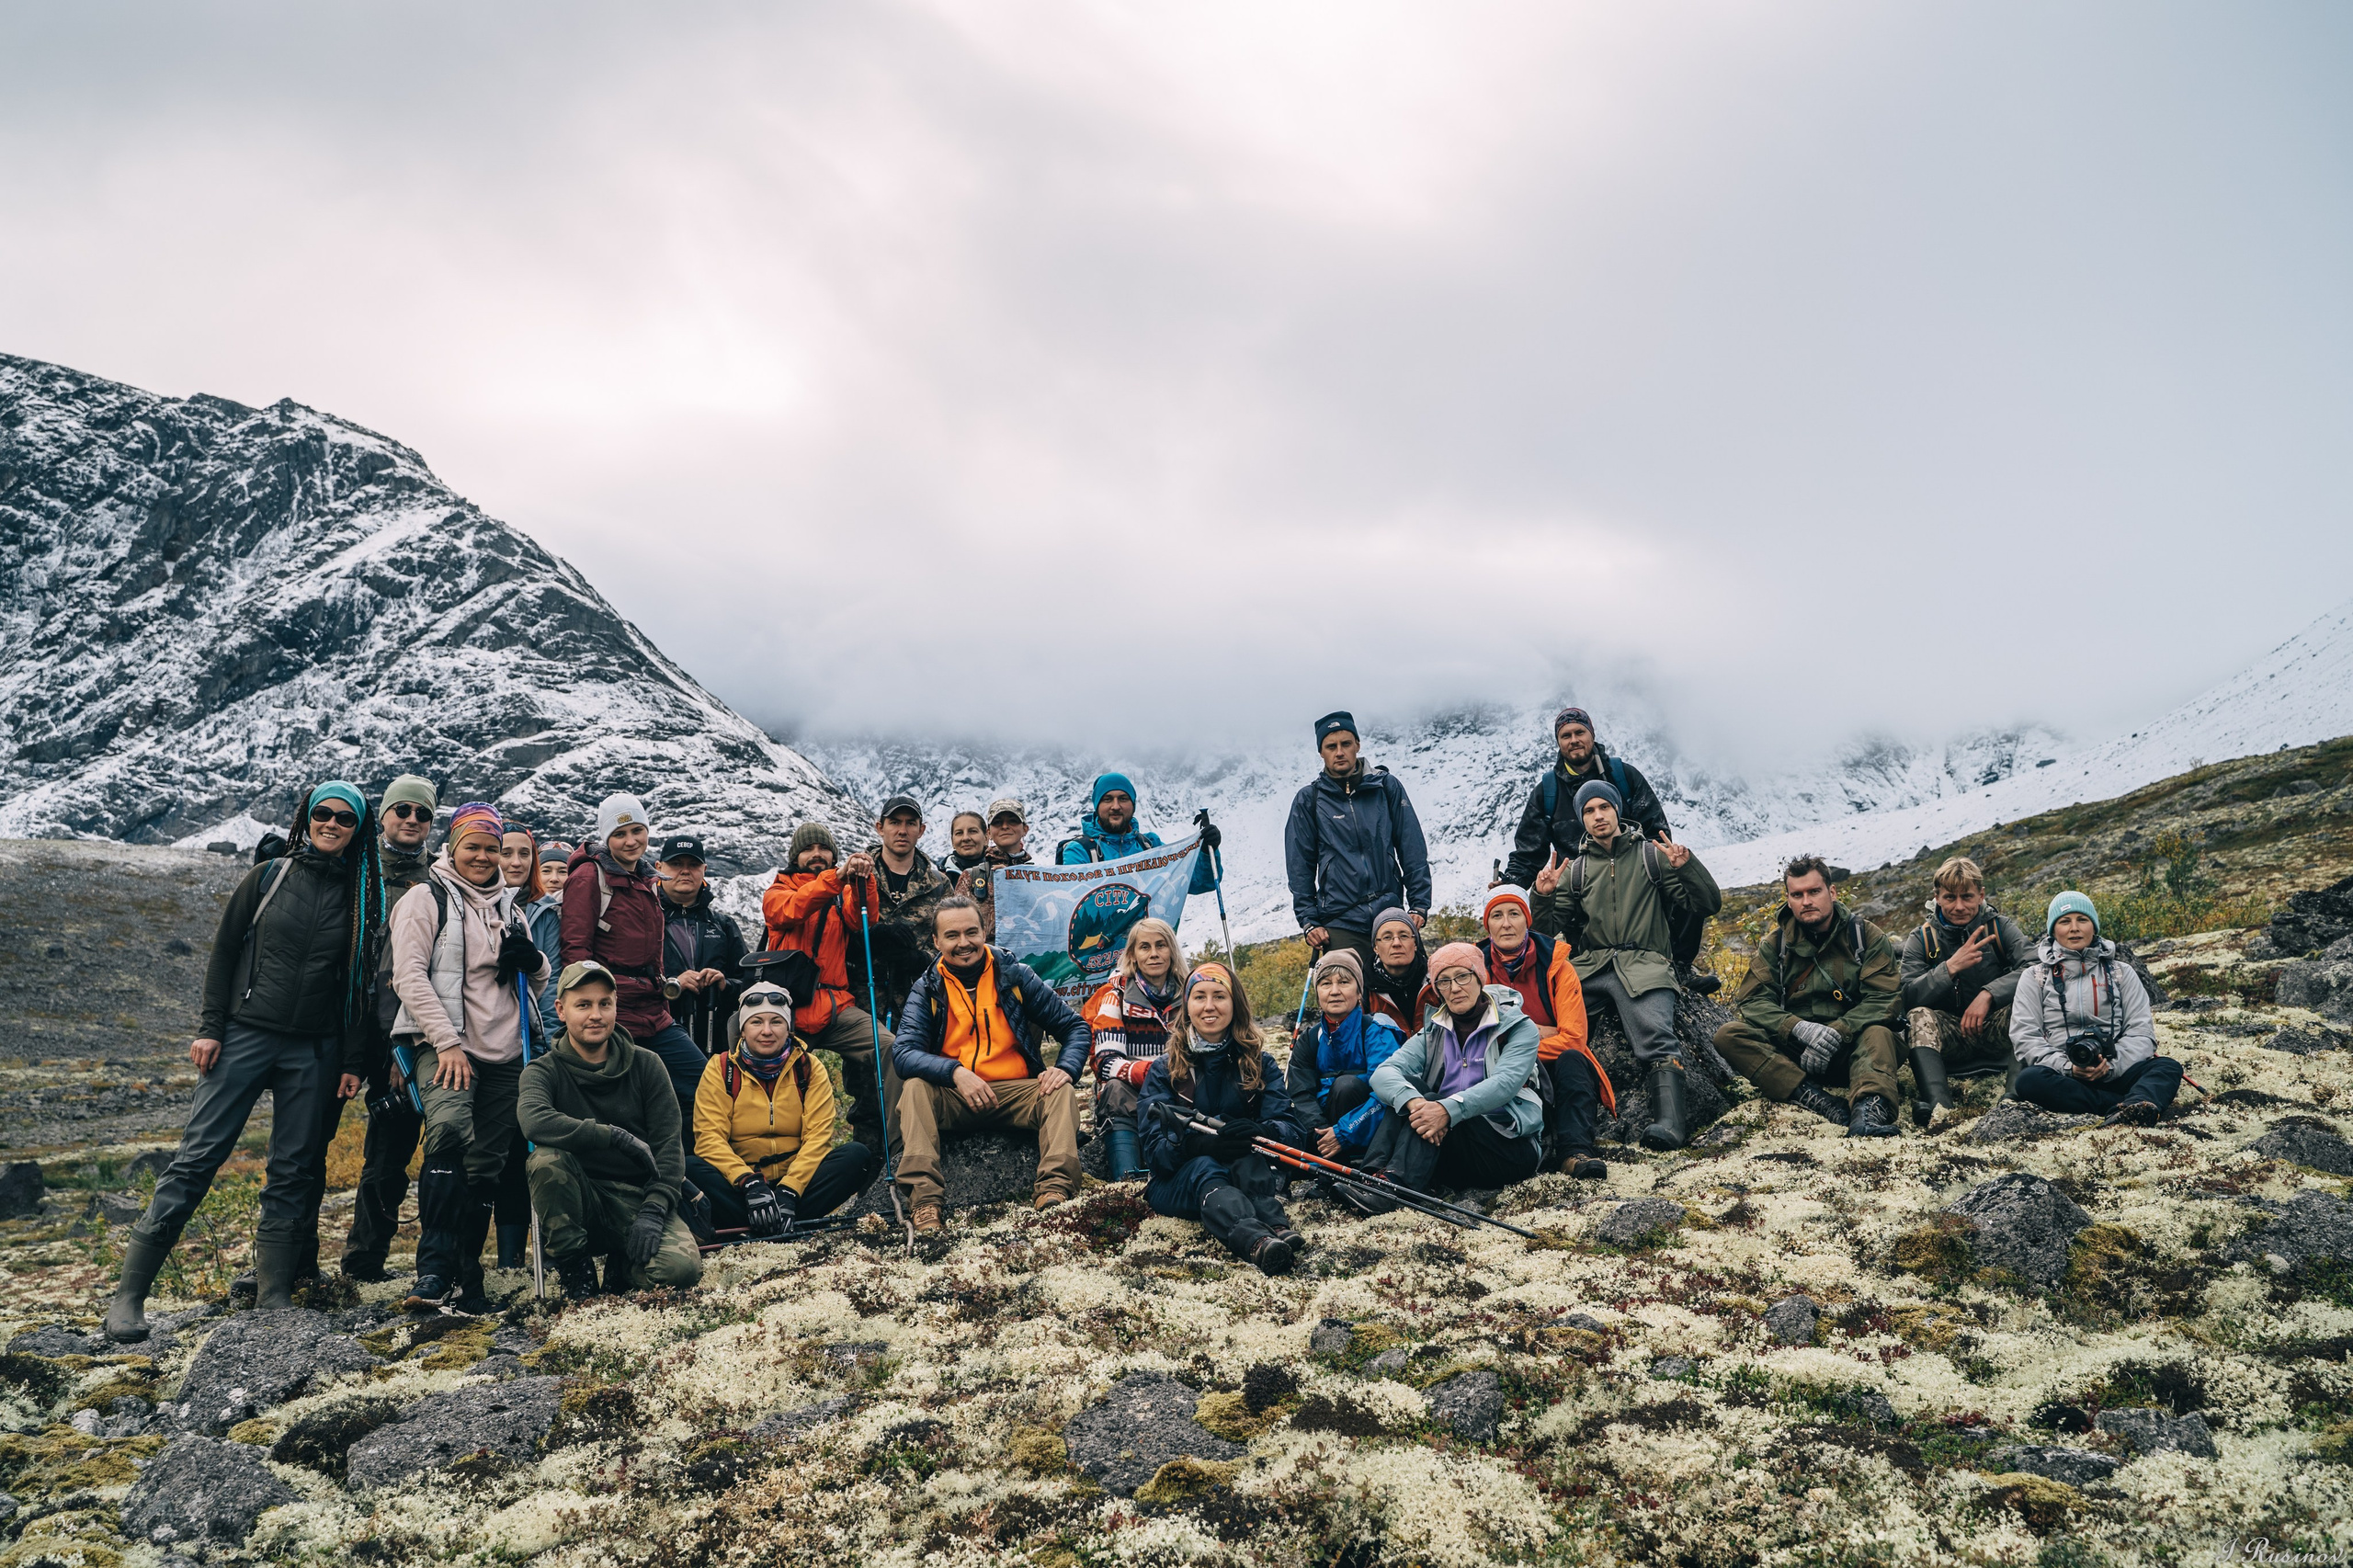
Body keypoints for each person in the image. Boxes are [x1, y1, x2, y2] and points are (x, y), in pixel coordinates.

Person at [106, 782, 388, 1341]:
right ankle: (128, 1299)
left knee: (294, 1169)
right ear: (305, 819)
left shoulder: (365, 899)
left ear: (358, 831)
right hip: (244, 1036)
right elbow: (225, 952)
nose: (331, 824)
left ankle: (275, 1297)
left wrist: (353, 1059)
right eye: (321, 814)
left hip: (314, 1050)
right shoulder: (266, 878)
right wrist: (212, 1029)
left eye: (344, 819)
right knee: (196, 1160)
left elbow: (359, 992)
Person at [388, 803, 549, 1313]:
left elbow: (535, 983)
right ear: (452, 847)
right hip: (447, 1047)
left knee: (487, 1164)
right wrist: (447, 1042)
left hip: (507, 1052)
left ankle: (467, 1273)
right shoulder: (424, 899)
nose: (483, 856)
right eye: (472, 846)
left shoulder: (512, 910)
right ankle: (434, 1270)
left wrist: (536, 961)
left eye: (491, 848)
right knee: (451, 1133)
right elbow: (408, 976)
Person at [1533, 779, 1722, 1151]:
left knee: (1655, 1036)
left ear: (1618, 810)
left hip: (1645, 964)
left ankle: (1669, 1124)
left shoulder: (1652, 856)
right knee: (1548, 1027)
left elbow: (1707, 904)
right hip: (1591, 967)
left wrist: (1687, 868)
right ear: (1581, 819)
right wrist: (1541, 897)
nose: (1598, 816)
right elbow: (1544, 932)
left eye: (1604, 807)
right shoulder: (1577, 870)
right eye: (1589, 811)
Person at [890, 896, 1093, 1233]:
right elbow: (904, 1053)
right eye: (952, 936)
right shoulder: (926, 988)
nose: (964, 943)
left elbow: (1075, 1027)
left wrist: (1066, 1068)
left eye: (971, 932)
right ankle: (925, 1204)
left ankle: (1054, 1191)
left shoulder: (1016, 976)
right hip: (956, 1097)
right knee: (914, 1089)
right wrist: (954, 1072)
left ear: (985, 931)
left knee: (1060, 1091)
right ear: (936, 942)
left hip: (1015, 1092)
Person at [517, 960, 703, 1298]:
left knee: (681, 1270)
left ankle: (624, 1265)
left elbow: (669, 1148)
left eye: (605, 1004)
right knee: (546, 1160)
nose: (596, 1015)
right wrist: (612, 1135)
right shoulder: (541, 1071)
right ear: (561, 1010)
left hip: (636, 1198)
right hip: (579, 1199)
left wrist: (655, 1209)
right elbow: (534, 1120)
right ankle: (577, 1272)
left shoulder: (648, 1064)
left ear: (616, 1006)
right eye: (583, 1005)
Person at [1504, 709, 1714, 986]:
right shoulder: (1548, 791)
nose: (1574, 740)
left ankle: (1681, 966)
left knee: (1683, 883)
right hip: (1580, 886)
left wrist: (1650, 869)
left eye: (1580, 732)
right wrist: (1509, 887)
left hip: (1635, 873)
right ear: (1558, 742)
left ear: (1591, 734)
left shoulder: (1623, 776)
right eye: (1566, 735)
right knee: (1584, 946)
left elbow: (1655, 830)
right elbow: (1529, 851)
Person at [1136, 963, 1310, 1276]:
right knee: (1206, 1166)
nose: (1209, 1006)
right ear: (1187, 1006)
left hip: (1245, 1176)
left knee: (1245, 1158)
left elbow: (1293, 1134)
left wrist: (1261, 1131)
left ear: (1235, 1004)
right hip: (1175, 1184)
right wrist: (1195, 1145)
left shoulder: (1259, 1063)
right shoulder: (1164, 1070)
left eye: (1219, 996)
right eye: (1199, 997)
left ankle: (1276, 1225)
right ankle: (1255, 1240)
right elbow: (1155, 1153)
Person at [1714, 857, 1903, 1138]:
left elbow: (1884, 997)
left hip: (1853, 1051)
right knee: (1728, 1035)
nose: (1806, 901)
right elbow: (1753, 1001)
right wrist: (1798, 1029)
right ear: (1788, 900)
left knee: (1879, 1033)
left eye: (1814, 892)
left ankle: (1869, 1111)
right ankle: (1814, 1098)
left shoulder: (1864, 937)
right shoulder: (1776, 945)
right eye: (1797, 895)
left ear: (1832, 892)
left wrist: (1836, 1031)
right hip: (1797, 1054)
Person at [337, 773, 440, 1283]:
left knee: (407, 1152)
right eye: (403, 810)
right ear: (384, 816)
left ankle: (435, 1265)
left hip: (415, 1030)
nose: (412, 820)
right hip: (357, 1028)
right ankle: (361, 1263)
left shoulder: (439, 881)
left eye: (422, 814)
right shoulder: (357, 872)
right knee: (381, 1158)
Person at [560, 794, 706, 1134]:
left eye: (637, 830)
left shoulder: (647, 879)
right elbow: (576, 954)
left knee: (703, 1087)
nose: (630, 841)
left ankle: (680, 1168)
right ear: (606, 838)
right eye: (620, 833)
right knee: (624, 1107)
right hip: (615, 1014)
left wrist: (659, 984)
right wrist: (598, 1005)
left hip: (654, 1012)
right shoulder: (588, 877)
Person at [688, 983, 880, 1235]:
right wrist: (750, 1183)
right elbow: (709, 1139)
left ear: (788, 1028)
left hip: (797, 1185)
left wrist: (790, 1190)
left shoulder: (809, 1068)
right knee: (691, 1167)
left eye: (776, 1022)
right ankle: (782, 1224)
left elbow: (817, 1139)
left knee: (856, 1156)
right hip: (741, 1186)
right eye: (756, 1022)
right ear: (742, 1029)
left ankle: (760, 1224)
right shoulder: (721, 1069)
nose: (766, 1031)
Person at [1360, 943, 1545, 1201]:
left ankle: (1393, 1190)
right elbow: (1383, 1073)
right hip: (1449, 1144)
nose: (1454, 988)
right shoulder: (1433, 1032)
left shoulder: (1516, 1028)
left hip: (1508, 1148)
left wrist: (1446, 1110)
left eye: (1462, 976)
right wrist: (1415, 1103)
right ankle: (1372, 1176)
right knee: (1412, 1089)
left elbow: (1505, 1084)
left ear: (1479, 978)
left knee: (1433, 1101)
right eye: (1444, 981)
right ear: (1437, 990)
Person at [761, 823, 893, 1150]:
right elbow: (788, 912)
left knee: (890, 1048)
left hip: (835, 1006)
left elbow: (864, 917)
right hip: (784, 1009)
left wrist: (865, 879)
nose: (817, 854)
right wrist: (835, 878)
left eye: (824, 849)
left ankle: (901, 1141)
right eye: (809, 849)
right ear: (796, 856)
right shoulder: (778, 891)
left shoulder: (840, 890)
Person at [2011, 892, 2182, 1126]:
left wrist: (2111, 1067)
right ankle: (2127, 1105)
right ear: (2053, 931)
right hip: (2065, 1074)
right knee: (2028, 1081)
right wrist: (2068, 1067)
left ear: (2094, 926)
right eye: (2064, 921)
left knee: (2168, 1067)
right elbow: (2025, 1036)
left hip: (2117, 1069)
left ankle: (2126, 1105)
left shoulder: (2121, 972)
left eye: (2082, 919)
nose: (2074, 928)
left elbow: (2141, 1032)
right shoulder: (2035, 977)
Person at [1478, 886, 1612, 1178]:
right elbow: (1473, 1040)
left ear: (1527, 920)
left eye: (1514, 914)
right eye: (1497, 915)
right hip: (1497, 1075)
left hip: (1551, 1072)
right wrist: (1541, 1031)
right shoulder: (1474, 969)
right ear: (1487, 924)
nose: (1506, 923)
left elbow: (1574, 1038)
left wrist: (1513, 1045)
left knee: (1574, 1060)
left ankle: (1574, 1153)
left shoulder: (1557, 967)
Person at [1283, 712, 1432, 969]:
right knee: (1345, 996)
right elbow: (1299, 868)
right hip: (1340, 921)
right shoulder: (1309, 800)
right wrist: (1309, 922)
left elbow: (1412, 848)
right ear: (1321, 752)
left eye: (1346, 744)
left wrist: (1419, 906)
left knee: (1416, 992)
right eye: (1331, 746)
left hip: (1389, 914)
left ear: (1358, 745)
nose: (1339, 752)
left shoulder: (1386, 787)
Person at [1897, 857, 2033, 1121]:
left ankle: (2014, 1099)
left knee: (2030, 1001)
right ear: (1937, 897)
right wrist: (1948, 968)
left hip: (1997, 1032)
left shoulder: (2000, 927)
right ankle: (1940, 1108)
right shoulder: (1922, 938)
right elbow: (1907, 996)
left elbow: (2036, 966)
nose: (1959, 906)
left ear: (1981, 895)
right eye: (1950, 898)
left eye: (1967, 897)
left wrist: (1989, 994)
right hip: (1949, 1040)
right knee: (1917, 1017)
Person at [1084, 918, 1190, 1180]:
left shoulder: (1191, 995)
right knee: (1114, 1091)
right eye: (1145, 947)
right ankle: (1128, 1179)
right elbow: (1107, 1062)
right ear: (1132, 955)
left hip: (1183, 1089)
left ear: (1172, 951)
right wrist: (1157, 1073)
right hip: (1133, 1092)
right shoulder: (1116, 996)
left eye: (1161, 945)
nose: (1154, 954)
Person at [494, 824, 555, 1268]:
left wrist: (549, 1041)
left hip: (534, 1043)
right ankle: (509, 1256)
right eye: (505, 852)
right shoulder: (476, 905)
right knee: (502, 1151)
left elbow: (551, 988)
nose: (516, 862)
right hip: (491, 1042)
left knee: (534, 1143)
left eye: (524, 854)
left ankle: (552, 1247)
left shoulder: (546, 912)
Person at [1281, 949, 1404, 1166]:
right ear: (1318, 993)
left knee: (1345, 1086)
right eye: (1326, 984)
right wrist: (1320, 1133)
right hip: (1325, 1133)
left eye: (1344, 982)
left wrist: (1344, 1132)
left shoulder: (1377, 1031)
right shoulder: (1310, 1039)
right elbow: (1301, 1095)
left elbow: (1388, 1094)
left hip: (1369, 1129)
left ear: (1359, 992)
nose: (1334, 991)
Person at [862, 795, 953, 1026]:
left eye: (910, 823)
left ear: (921, 830)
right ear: (880, 828)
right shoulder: (858, 877)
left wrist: (923, 959)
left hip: (921, 1002)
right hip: (865, 1003)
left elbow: (954, 940)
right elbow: (837, 935)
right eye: (894, 822)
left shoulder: (939, 885)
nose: (902, 830)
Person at [655, 835, 747, 1056]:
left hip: (718, 1045)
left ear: (704, 869)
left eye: (693, 865)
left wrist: (725, 985)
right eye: (676, 864)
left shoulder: (724, 925)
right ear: (658, 868)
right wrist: (671, 985)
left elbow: (749, 982)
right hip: (659, 1040)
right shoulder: (645, 922)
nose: (685, 871)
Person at [1364, 908, 1428, 1034]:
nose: (1396, 943)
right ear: (1375, 947)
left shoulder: (1435, 981)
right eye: (1387, 937)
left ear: (1415, 944)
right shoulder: (1362, 989)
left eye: (1404, 936)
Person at [984, 798, 1035, 868]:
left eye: (1012, 821)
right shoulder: (974, 875)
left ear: (1025, 829)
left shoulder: (1039, 875)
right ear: (989, 833)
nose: (1004, 826)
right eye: (997, 822)